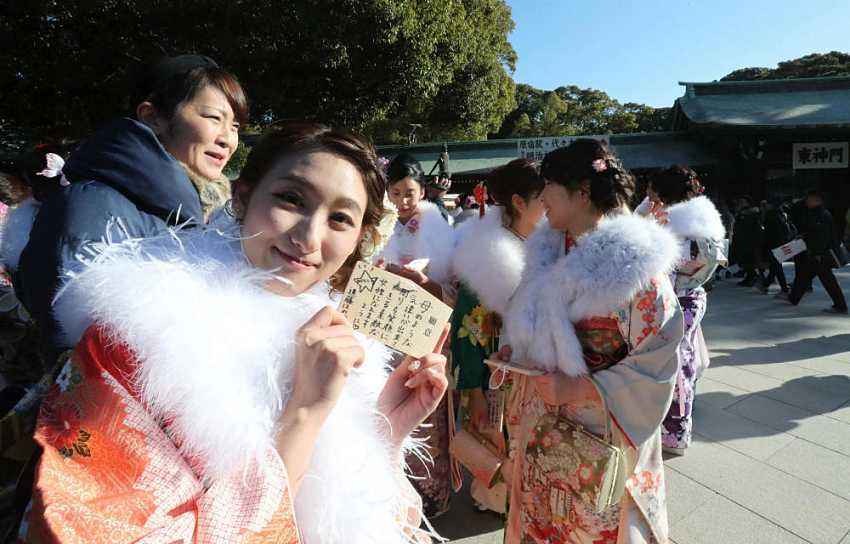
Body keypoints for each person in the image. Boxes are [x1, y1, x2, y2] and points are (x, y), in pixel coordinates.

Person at [20, 122, 447, 543]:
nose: (308, 236)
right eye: (292, 199)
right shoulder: (140, 334)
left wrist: (385, 427)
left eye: (339, 219)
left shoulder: (339, 338)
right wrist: (303, 414)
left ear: (359, 240)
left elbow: (360, 520)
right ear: (243, 196)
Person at [498, 139, 683, 543]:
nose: (542, 196)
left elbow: (658, 359)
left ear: (582, 192)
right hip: (542, 421)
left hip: (599, 428)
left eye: (549, 185)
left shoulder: (634, 267)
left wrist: (580, 385)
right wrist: (518, 349)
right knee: (538, 518)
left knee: (592, 524)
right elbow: (527, 318)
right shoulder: (545, 251)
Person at [6, 54, 248, 364]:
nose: (228, 139)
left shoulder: (205, 215)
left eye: (236, 126)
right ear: (152, 117)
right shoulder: (92, 205)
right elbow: (74, 349)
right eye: (214, 118)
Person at [449, 159, 545, 514]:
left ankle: (514, 499)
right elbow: (468, 331)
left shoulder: (538, 240)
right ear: (519, 202)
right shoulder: (490, 255)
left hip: (527, 367)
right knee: (495, 437)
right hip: (494, 372)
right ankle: (494, 499)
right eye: (544, 197)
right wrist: (473, 389)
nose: (552, 202)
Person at [378, 153, 456, 517]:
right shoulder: (383, 223)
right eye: (395, 193)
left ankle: (432, 492)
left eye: (409, 193)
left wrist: (427, 283)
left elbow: (455, 285)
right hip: (391, 328)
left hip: (426, 327)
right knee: (392, 405)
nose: (403, 202)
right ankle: (394, 489)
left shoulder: (438, 224)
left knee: (428, 413)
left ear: (422, 190)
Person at [646, 166, 726, 456]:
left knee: (677, 364)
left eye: (653, 192)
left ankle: (676, 429)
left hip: (677, 299)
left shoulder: (677, 228)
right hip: (690, 295)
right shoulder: (699, 221)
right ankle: (675, 426)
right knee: (683, 360)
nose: (648, 196)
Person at [788, 190, 848, 314]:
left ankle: (840, 305)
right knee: (806, 276)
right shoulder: (817, 213)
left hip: (820, 254)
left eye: (810, 199)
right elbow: (814, 233)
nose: (807, 201)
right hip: (817, 253)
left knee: (821, 279)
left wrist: (817, 253)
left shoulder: (821, 215)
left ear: (818, 200)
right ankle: (793, 298)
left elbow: (822, 237)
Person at [761, 199, 796, 295]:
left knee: (776, 266)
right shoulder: (781, 214)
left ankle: (783, 289)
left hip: (773, 244)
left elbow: (769, 232)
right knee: (775, 265)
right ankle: (766, 284)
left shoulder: (770, 215)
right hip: (782, 242)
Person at [730, 196, 765, 287]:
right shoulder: (741, 213)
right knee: (744, 261)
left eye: (743, 201)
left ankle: (752, 277)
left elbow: (756, 229)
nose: (741, 203)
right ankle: (750, 277)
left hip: (749, 241)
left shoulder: (752, 214)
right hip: (742, 241)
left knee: (749, 261)